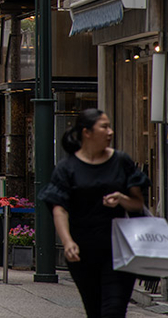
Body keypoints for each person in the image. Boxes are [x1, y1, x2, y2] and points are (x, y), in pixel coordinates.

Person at [38, 108, 150, 318]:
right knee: (94, 310)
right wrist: (67, 241)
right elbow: (59, 208)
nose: (110, 132)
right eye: (104, 127)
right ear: (86, 132)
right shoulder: (67, 168)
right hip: (83, 253)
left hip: (120, 251)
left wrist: (122, 199)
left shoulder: (121, 161)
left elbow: (137, 204)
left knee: (114, 310)